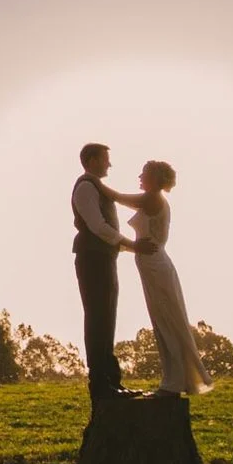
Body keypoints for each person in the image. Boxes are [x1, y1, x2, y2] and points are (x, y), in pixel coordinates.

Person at [71, 142, 155, 397]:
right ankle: (101, 383)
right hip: (93, 258)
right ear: (92, 160)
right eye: (106, 159)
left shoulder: (96, 187)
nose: (109, 164)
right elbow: (98, 227)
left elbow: (106, 233)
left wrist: (129, 248)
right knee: (98, 317)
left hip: (104, 258)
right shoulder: (85, 187)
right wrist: (132, 245)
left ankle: (111, 382)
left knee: (107, 317)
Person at [126, 159, 211, 396]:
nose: (140, 176)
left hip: (156, 267)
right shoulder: (152, 200)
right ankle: (174, 380)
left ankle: (173, 383)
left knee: (167, 322)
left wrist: (91, 181)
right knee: (162, 322)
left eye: (144, 173)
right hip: (152, 266)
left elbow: (114, 195)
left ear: (155, 179)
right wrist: (126, 246)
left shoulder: (151, 198)